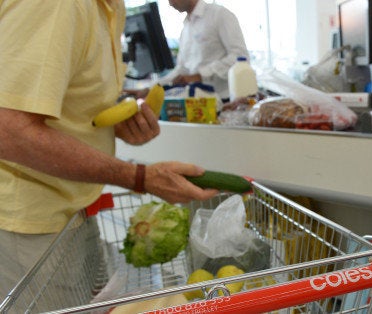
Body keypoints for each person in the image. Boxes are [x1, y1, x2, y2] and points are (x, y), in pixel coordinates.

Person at [0, 0, 219, 302]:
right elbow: (8, 130)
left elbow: (58, 100)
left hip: (69, 211)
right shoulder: (56, 5)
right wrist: (137, 176)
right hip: (28, 221)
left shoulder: (106, 7)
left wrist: (112, 120)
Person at [159, 0, 250, 102]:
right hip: (197, 102)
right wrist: (154, 87)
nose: (170, 4)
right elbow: (182, 68)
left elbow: (240, 57)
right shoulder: (186, 27)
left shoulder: (219, 15)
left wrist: (200, 75)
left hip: (224, 101)